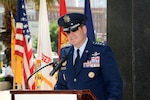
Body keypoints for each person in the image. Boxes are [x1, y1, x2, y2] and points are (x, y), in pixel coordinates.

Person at [54, 13, 123, 100]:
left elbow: (114, 84)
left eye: (74, 30)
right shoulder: (65, 52)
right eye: (67, 32)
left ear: (84, 29)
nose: (71, 35)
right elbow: (61, 85)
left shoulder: (101, 51)